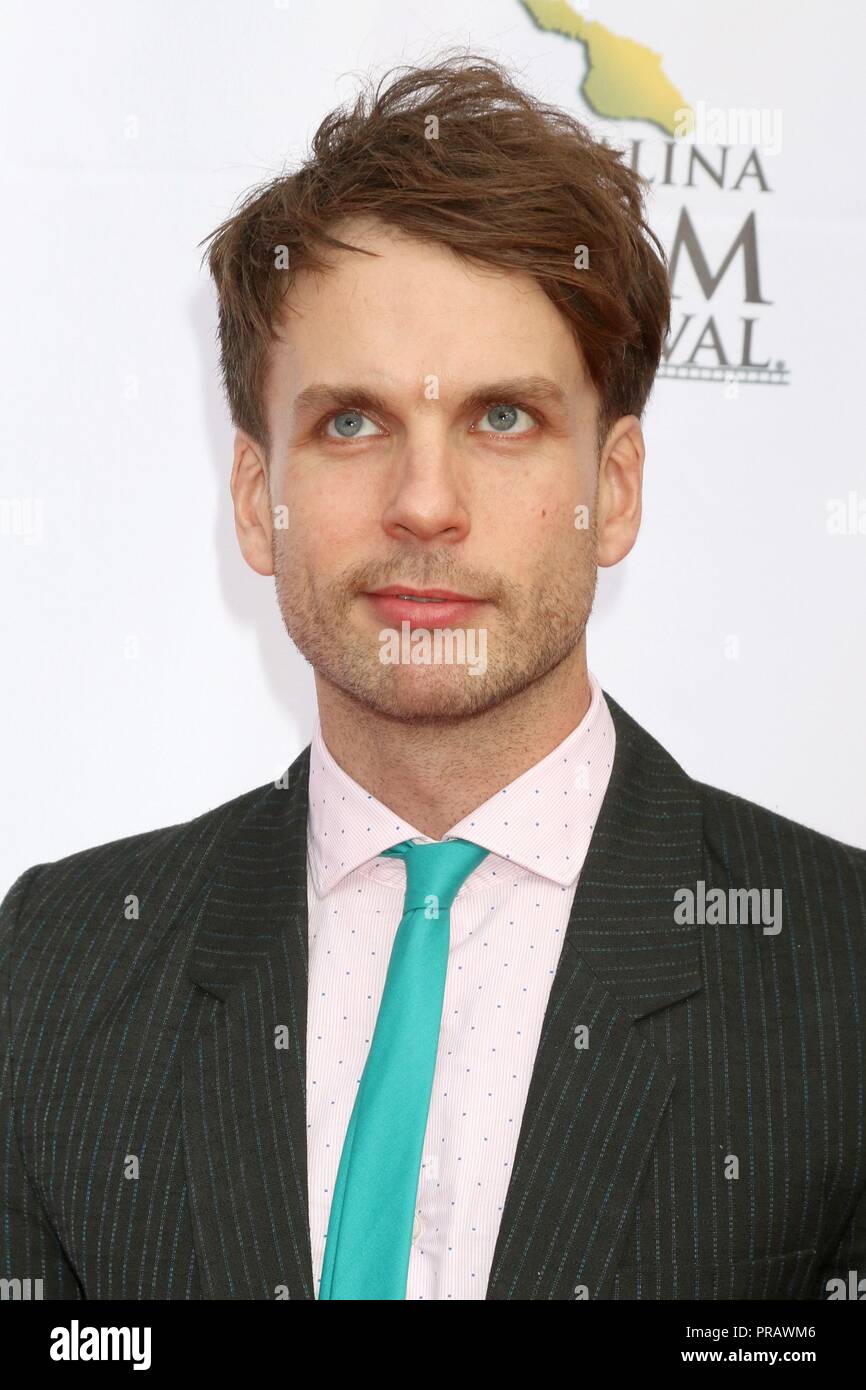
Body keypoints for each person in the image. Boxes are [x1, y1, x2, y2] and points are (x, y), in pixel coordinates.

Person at [2, 56, 864, 1302]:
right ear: (258, 501)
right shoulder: (59, 966)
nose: (422, 505)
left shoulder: (837, 972)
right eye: (349, 422)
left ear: (612, 490)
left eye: (500, 418)